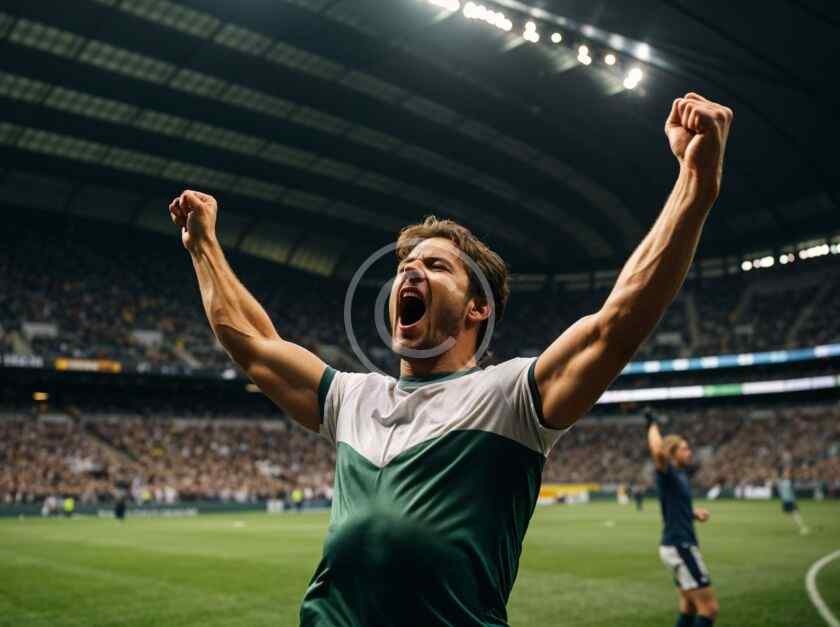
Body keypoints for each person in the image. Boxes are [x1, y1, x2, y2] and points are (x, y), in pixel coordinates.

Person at [170, 92, 733, 626]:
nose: (410, 271)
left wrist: (696, 183)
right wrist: (203, 247)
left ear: (476, 308)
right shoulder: (352, 398)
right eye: (404, 266)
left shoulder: (509, 398)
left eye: (436, 266)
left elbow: (615, 327)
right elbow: (253, 342)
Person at [647, 413, 719, 627]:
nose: (690, 452)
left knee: (689, 605)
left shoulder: (680, 475)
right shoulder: (667, 472)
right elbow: (657, 451)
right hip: (681, 545)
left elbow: (675, 505)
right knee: (709, 609)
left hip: (675, 545)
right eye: (684, 449)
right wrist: (651, 423)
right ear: (672, 452)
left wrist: (693, 512)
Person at [778, 468, 809, 534]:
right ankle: (800, 527)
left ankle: (803, 528)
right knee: (790, 515)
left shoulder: (791, 482)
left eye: (787, 473)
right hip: (785, 501)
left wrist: (794, 499)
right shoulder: (782, 482)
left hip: (790, 501)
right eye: (784, 473)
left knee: (795, 514)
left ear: (790, 475)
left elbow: (793, 491)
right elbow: (781, 492)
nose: (785, 474)